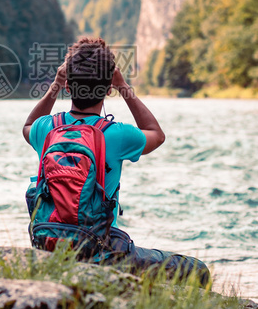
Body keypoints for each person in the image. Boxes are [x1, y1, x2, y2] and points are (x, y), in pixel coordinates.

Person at [22, 37, 210, 285]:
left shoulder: (46, 128)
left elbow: (26, 126)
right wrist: (124, 86)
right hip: (99, 252)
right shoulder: (117, 134)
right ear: (108, 89)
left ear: (68, 87)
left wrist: (55, 85)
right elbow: (157, 134)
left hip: (48, 244)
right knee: (197, 269)